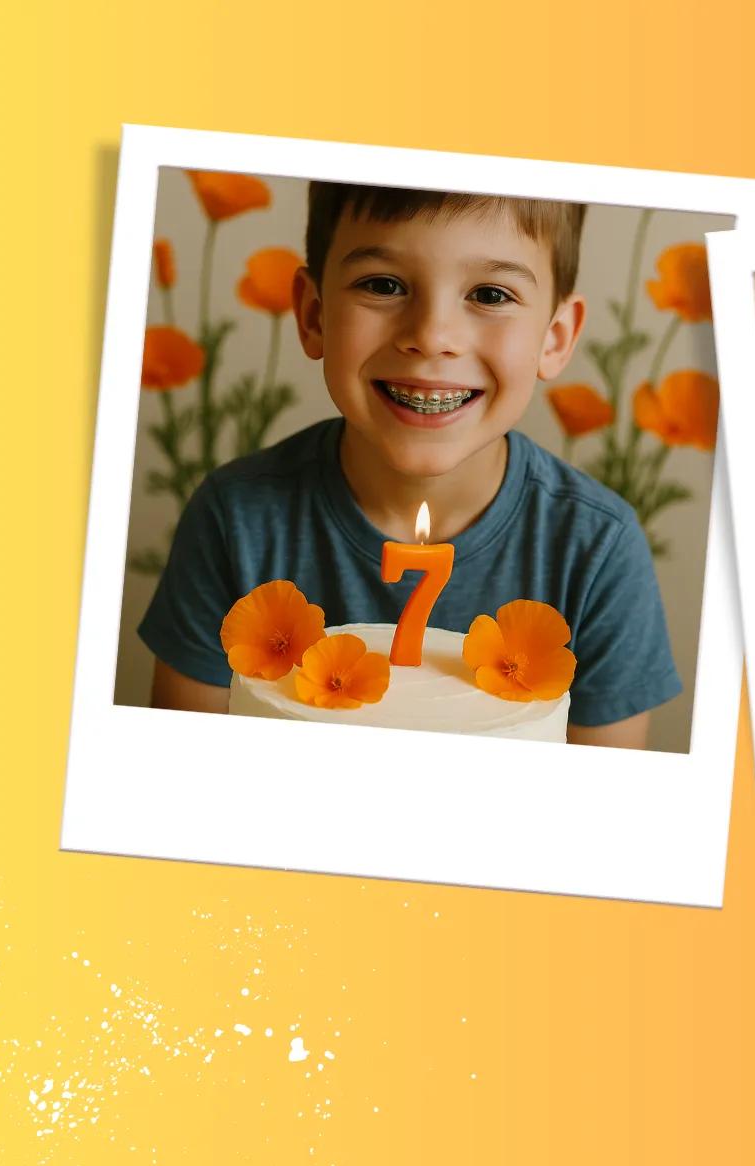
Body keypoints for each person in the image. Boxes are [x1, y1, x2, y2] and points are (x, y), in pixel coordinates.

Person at [140, 183, 680, 748]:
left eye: (491, 294)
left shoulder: (599, 550)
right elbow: (183, 768)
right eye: (383, 285)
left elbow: (606, 809)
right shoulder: (234, 518)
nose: (431, 336)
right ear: (314, 313)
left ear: (555, 337)